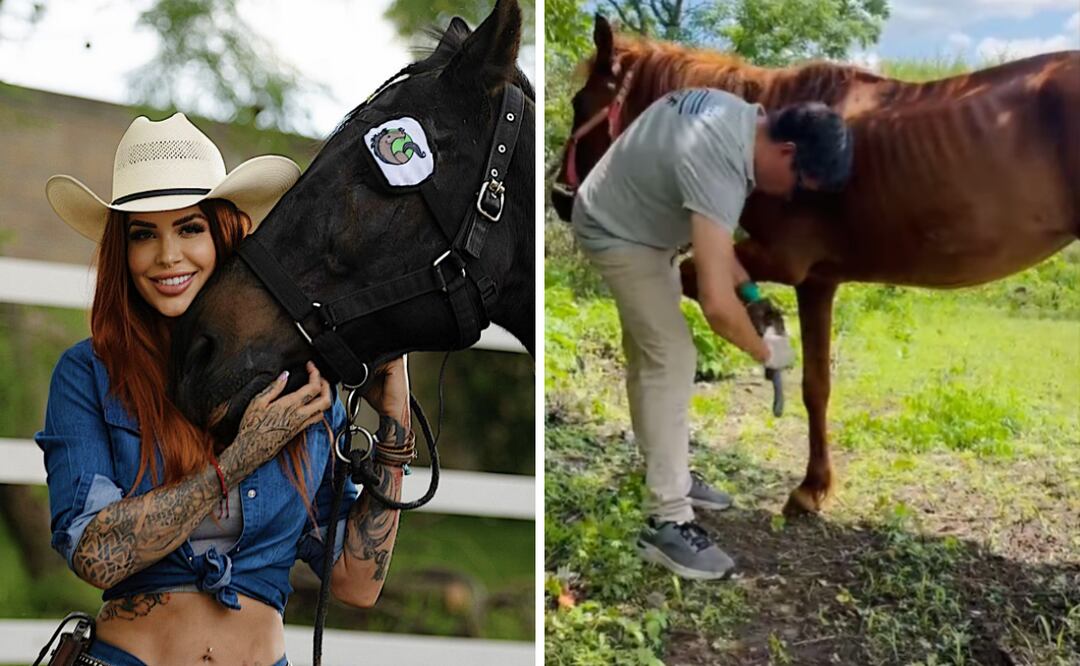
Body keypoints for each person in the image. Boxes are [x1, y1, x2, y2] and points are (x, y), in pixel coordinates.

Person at [38, 113, 411, 665]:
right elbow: (95, 554)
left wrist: (396, 420)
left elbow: (357, 581)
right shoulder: (89, 372)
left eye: (189, 228)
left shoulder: (300, 384)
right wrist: (239, 459)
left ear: (225, 237)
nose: (167, 256)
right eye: (145, 234)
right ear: (125, 252)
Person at [571, 88, 854, 579]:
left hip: (638, 224)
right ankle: (668, 521)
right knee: (672, 357)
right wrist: (766, 352)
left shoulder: (735, 118)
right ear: (786, 152)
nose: (788, 196)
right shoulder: (720, 161)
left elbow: (717, 252)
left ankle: (668, 469)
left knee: (651, 355)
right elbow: (715, 305)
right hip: (617, 232)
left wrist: (754, 299)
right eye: (796, 185)